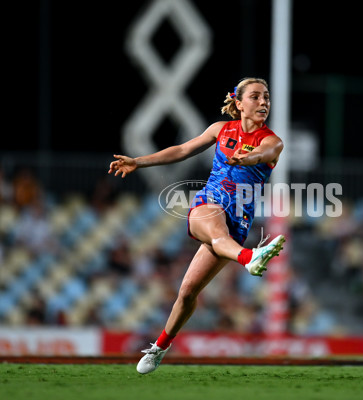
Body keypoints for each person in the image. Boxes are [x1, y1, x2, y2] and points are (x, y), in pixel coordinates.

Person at [108, 77, 286, 374]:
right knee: (214, 228)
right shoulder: (221, 129)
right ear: (239, 104)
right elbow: (181, 150)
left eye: (266, 97)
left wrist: (248, 158)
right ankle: (248, 257)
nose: (264, 102)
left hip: (238, 218)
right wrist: (138, 162)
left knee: (188, 291)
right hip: (210, 201)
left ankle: (160, 347)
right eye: (255, 96)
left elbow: (264, 154)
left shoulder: (272, 140)